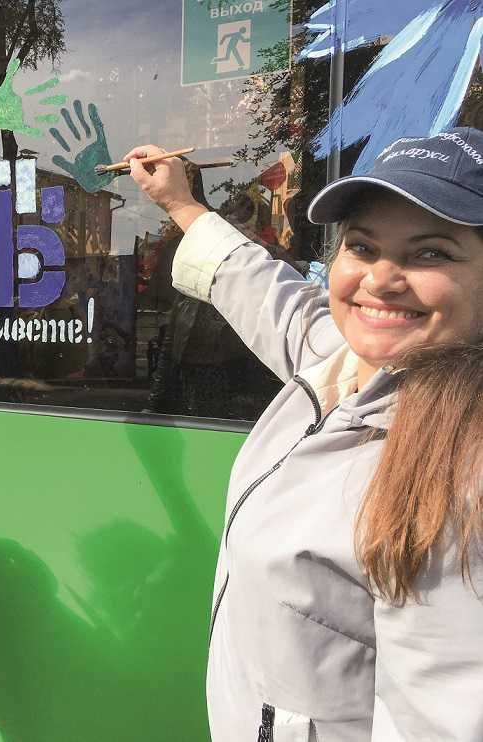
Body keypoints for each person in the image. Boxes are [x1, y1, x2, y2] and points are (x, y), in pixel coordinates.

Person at [126, 128, 483, 741]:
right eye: (362, 246)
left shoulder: (462, 475)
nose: (380, 279)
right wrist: (180, 204)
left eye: (430, 254)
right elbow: (269, 294)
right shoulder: (345, 364)